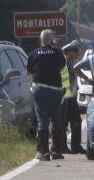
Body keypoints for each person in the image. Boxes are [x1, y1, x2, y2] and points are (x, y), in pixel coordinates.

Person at [26, 29, 67, 161]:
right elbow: (61, 67)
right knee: (56, 120)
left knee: (42, 121)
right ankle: (56, 151)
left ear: (41, 40)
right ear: (51, 40)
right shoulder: (57, 53)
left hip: (39, 90)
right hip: (55, 90)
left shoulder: (33, 53)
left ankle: (43, 152)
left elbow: (29, 73)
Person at [61, 41, 85, 154]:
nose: (77, 53)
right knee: (67, 121)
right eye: (75, 51)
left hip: (71, 95)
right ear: (69, 51)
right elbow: (67, 78)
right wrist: (68, 93)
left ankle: (75, 145)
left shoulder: (69, 62)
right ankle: (64, 146)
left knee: (75, 121)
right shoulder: (66, 62)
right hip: (68, 96)